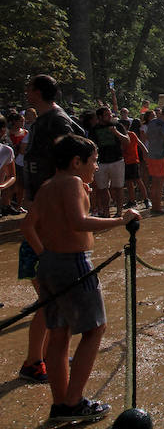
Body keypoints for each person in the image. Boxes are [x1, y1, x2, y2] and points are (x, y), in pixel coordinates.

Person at [19, 134, 140, 425]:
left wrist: (45, 254)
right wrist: (121, 220)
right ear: (76, 162)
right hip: (73, 264)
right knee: (95, 329)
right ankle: (74, 402)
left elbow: (27, 225)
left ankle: (61, 403)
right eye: (93, 161)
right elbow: (78, 222)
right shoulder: (72, 182)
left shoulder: (47, 186)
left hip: (49, 265)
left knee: (58, 335)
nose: (96, 167)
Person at [18, 74, 83, 384]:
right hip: (44, 222)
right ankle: (36, 361)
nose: (26, 91)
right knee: (50, 300)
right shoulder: (40, 121)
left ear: (39, 92)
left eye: (29, 87)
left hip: (50, 214)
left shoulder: (57, 120)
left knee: (51, 301)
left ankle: (42, 358)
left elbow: (78, 148)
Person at [88, 107, 130, 218]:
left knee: (119, 187)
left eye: (110, 114)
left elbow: (127, 141)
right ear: (100, 117)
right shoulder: (94, 129)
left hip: (117, 160)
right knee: (102, 189)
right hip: (101, 162)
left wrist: (116, 133)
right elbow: (91, 146)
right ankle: (106, 212)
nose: (110, 116)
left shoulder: (117, 125)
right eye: (107, 115)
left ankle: (119, 212)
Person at [144, 103, 164, 213]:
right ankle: (157, 207)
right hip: (161, 155)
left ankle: (154, 206)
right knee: (160, 183)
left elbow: (147, 136)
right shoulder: (163, 125)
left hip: (151, 154)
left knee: (154, 182)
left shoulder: (151, 122)